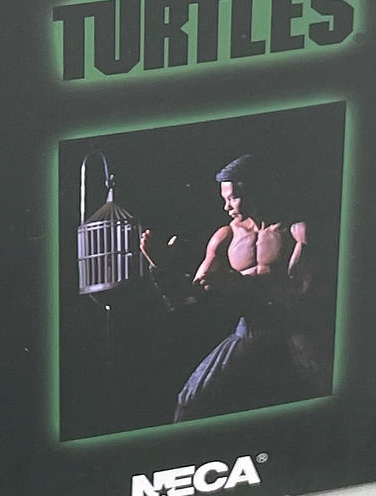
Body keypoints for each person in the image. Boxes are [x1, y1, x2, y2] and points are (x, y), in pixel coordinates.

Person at [141, 154, 330, 422]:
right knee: (189, 402)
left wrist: (238, 285)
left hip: (295, 328)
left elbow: (300, 289)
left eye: (233, 198)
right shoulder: (226, 236)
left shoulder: (295, 231)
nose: (227, 206)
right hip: (250, 330)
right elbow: (190, 297)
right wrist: (163, 267)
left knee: (329, 390)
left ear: (258, 190)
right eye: (224, 199)